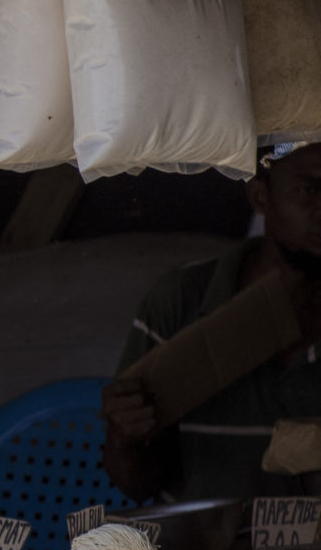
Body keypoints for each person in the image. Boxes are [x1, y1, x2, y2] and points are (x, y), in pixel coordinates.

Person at [102, 140, 321, 501]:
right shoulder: (182, 301)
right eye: (308, 190)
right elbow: (136, 484)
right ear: (260, 197)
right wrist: (125, 438)